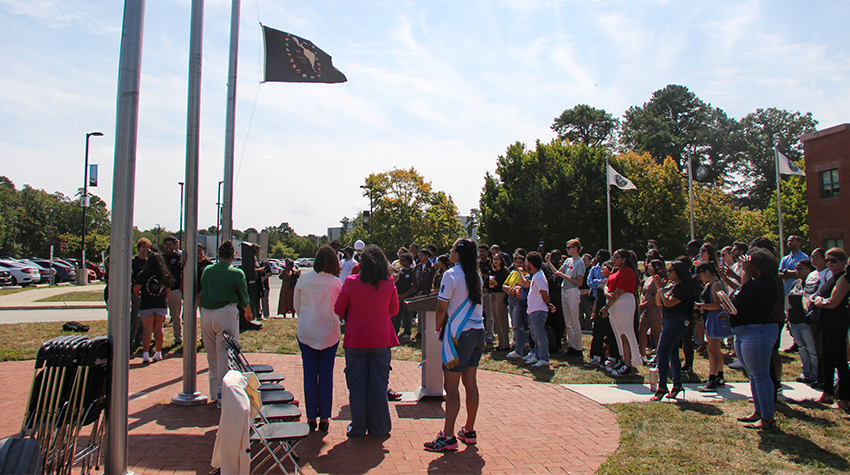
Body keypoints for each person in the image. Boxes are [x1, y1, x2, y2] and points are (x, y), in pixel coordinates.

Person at [424, 238, 486, 452]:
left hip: (459, 334)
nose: (449, 251)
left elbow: (441, 309)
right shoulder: (476, 274)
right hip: (478, 331)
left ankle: (448, 436)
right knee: (471, 383)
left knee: (451, 387)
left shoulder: (450, 275)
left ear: (458, 253)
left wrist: (438, 328)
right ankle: (469, 430)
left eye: (452, 248)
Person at [334, 244, 399, 437]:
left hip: (356, 340)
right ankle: (380, 427)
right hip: (381, 339)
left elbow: (338, 309)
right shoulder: (388, 282)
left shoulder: (351, 282)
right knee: (379, 385)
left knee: (357, 386)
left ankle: (358, 426)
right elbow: (394, 310)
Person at [730, 248, 782, 430]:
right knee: (754, 375)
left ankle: (768, 417)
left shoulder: (764, 283)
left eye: (748, 265)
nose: (745, 268)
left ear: (757, 267)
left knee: (760, 375)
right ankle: (759, 412)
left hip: (758, 331)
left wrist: (744, 271)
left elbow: (744, 293)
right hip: (745, 331)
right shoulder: (759, 282)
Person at [294, 246, 343, 432]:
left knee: (309, 374)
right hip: (330, 333)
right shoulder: (337, 283)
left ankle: (311, 417)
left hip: (307, 332)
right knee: (326, 375)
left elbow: (296, 306)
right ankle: (325, 417)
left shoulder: (304, 278)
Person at [199, 241, 252, 406]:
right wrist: (248, 311)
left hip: (207, 313)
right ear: (233, 255)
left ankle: (214, 392)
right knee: (226, 355)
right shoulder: (236, 273)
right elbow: (243, 295)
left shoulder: (207, 270)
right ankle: (224, 395)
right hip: (225, 312)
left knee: (211, 355)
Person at [812, 248, 850, 412]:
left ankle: (844, 397)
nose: (830, 264)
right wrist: (816, 298)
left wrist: (819, 301)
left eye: (833, 260)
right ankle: (827, 392)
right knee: (826, 358)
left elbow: (833, 302)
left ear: (843, 261)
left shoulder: (844, 278)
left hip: (837, 323)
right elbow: (819, 293)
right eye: (827, 261)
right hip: (826, 325)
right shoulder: (831, 278)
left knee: (839, 359)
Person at [650, 260, 694, 400]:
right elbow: (659, 302)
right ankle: (677, 385)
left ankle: (662, 386)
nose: (668, 273)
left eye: (671, 270)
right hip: (668, 320)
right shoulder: (671, 285)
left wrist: (662, 289)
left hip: (677, 321)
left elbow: (669, 302)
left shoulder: (684, 287)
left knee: (662, 354)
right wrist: (660, 289)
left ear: (679, 272)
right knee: (673, 354)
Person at [696, 262, 734, 392]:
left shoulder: (716, 284)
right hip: (710, 317)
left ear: (707, 272)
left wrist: (701, 306)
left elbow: (717, 305)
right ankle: (719, 376)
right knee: (716, 350)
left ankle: (712, 378)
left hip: (715, 317)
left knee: (712, 350)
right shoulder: (710, 284)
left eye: (701, 275)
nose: (701, 278)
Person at [603, 249, 641, 376]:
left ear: (624, 259)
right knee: (618, 333)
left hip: (623, 302)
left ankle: (628, 364)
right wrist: (606, 294)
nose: (614, 260)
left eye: (617, 257)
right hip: (614, 303)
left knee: (625, 333)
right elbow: (607, 285)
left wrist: (607, 306)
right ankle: (622, 359)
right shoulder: (615, 270)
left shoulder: (628, 271)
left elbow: (619, 292)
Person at [133, 252, 174, 363]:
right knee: (158, 329)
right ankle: (158, 353)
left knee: (147, 329)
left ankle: (145, 354)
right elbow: (168, 291)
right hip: (160, 303)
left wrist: (139, 294)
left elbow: (136, 289)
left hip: (146, 304)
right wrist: (165, 300)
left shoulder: (143, 274)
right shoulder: (164, 274)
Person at [522, 251, 555, 369]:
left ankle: (544, 357)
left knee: (540, 335)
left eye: (526, 262)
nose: (525, 264)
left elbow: (543, 292)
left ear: (530, 263)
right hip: (532, 310)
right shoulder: (536, 275)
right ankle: (536, 354)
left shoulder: (540, 276)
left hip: (538, 310)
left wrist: (548, 304)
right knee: (534, 335)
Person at [788, 259, 817, 385]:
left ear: (809, 270)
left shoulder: (812, 283)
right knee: (801, 348)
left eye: (800, 269)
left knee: (812, 349)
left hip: (805, 322)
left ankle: (815, 374)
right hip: (793, 321)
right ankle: (805, 372)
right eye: (796, 269)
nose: (797, 271)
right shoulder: (796, 283)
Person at [555, 239, 586, 357]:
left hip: (573, 291)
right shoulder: (568, 261)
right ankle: (571, 344)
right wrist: (548, 262)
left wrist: (564, 276)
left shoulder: (579, 263)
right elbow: (558, 272)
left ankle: (578, 346)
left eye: (569, 247)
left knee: (574, 320)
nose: (567, 250)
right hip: (564, 290)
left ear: (575, 248)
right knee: (567, 320)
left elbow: (579, 281)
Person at [638, 258, 665, 364]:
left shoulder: (658, 280)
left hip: (655, 310)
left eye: (651, 267)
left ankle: (659, 355)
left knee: (656, 333)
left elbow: (657, 297)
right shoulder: (648, 279)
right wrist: (642, 303)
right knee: (642, 330)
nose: (649, 268)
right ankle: (642, 354)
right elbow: (643, 293)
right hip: (646, 310)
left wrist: (645, 304)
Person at [504, 256, 530, 360]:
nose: (518, 264)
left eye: (521, 262)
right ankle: (519, 345)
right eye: (517, 262)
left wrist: (520, 272)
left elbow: (524, 286)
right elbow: (504, 285)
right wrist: (509, 289)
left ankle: (520, 349)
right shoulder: (512, 273)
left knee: (518, 325)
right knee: (514, 324)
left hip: (519, 301)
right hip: (511, 300)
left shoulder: (525, 275)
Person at [162, 236, 184, 345]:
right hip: (161, 291)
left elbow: (183, 274)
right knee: (160, 316)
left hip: (175, 290)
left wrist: (180, 289)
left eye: (170, 244)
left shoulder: (179, 257)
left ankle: (177, 338)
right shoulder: (160, 258)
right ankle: (159, 338)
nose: (168, 246)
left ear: (174, 245)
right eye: (166, 244)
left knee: (176, 316)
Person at [130, 238, 151, 352]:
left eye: (147, 247)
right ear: (138, 248)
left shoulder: (149, 262)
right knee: (136, 315)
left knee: (145, 316)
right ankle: (131, 337)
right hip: (136, 291)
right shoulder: (134, 261)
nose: (145, 249)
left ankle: (140, 337)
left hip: (147, 292)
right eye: (143, 247)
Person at [488, 252, 510, 351]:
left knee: (501, 319)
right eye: (494, 259)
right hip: (493, 294)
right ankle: (500, 342)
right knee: (496, 318)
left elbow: (506, 284)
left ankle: (505, 343)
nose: (495, 261)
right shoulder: (493, 272)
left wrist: (498, 283)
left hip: (501, 294)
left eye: (497, 259)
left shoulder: (504, 272)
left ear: (501, 261)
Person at [392, 253, 415, 338]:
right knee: (397, 315)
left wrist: (405, 295)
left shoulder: (412, 272)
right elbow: (395, 284)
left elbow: (413, 286)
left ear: (408, 261)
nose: (401, 262)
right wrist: (398, 295)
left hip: (408, 297)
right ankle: (395, 331)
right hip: (398, 297)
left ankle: (407, 332)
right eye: (400, 260)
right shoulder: (399, 272)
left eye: (403, 260)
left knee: (407, 316)